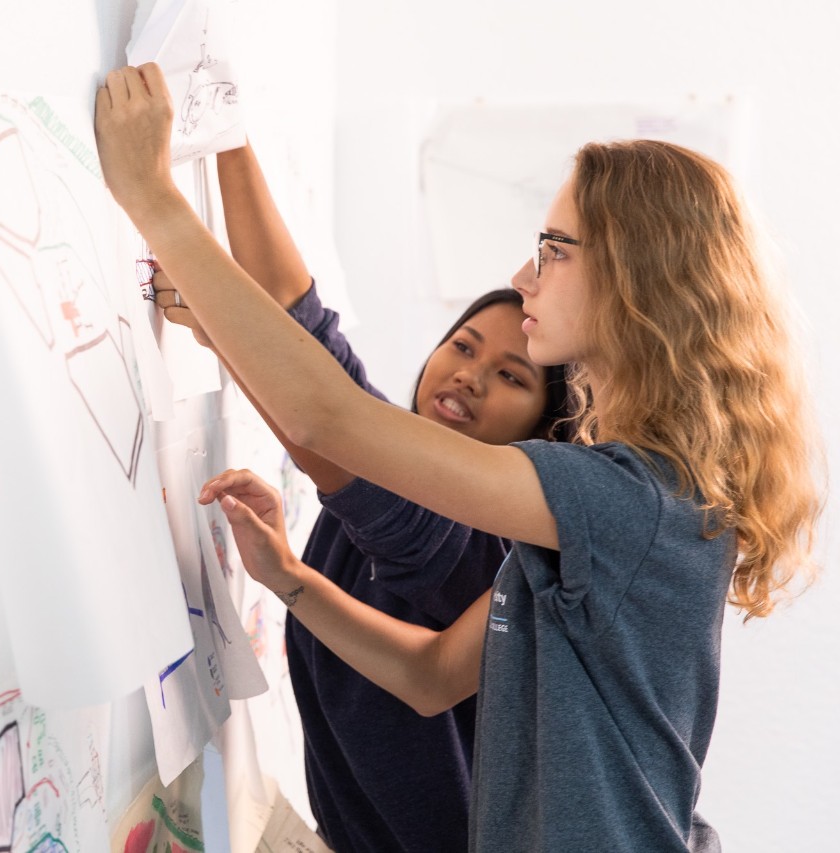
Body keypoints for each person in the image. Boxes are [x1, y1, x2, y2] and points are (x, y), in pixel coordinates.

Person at [94, 64, 823, 852]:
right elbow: (432, 674)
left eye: (553, 250)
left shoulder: (627, 503)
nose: (522, 278)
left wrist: (153, 198)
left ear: (633, 279)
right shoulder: (607, 508)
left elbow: (326, 414)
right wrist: (291, 580)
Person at [148, 141, 570, 853]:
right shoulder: (397, 480)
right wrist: (224, 133)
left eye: (511, 376)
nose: (470, 376)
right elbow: (309, 348)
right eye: (463, 347)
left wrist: (221, 314)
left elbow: (318, 402)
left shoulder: (475, 542)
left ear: (543, 429)